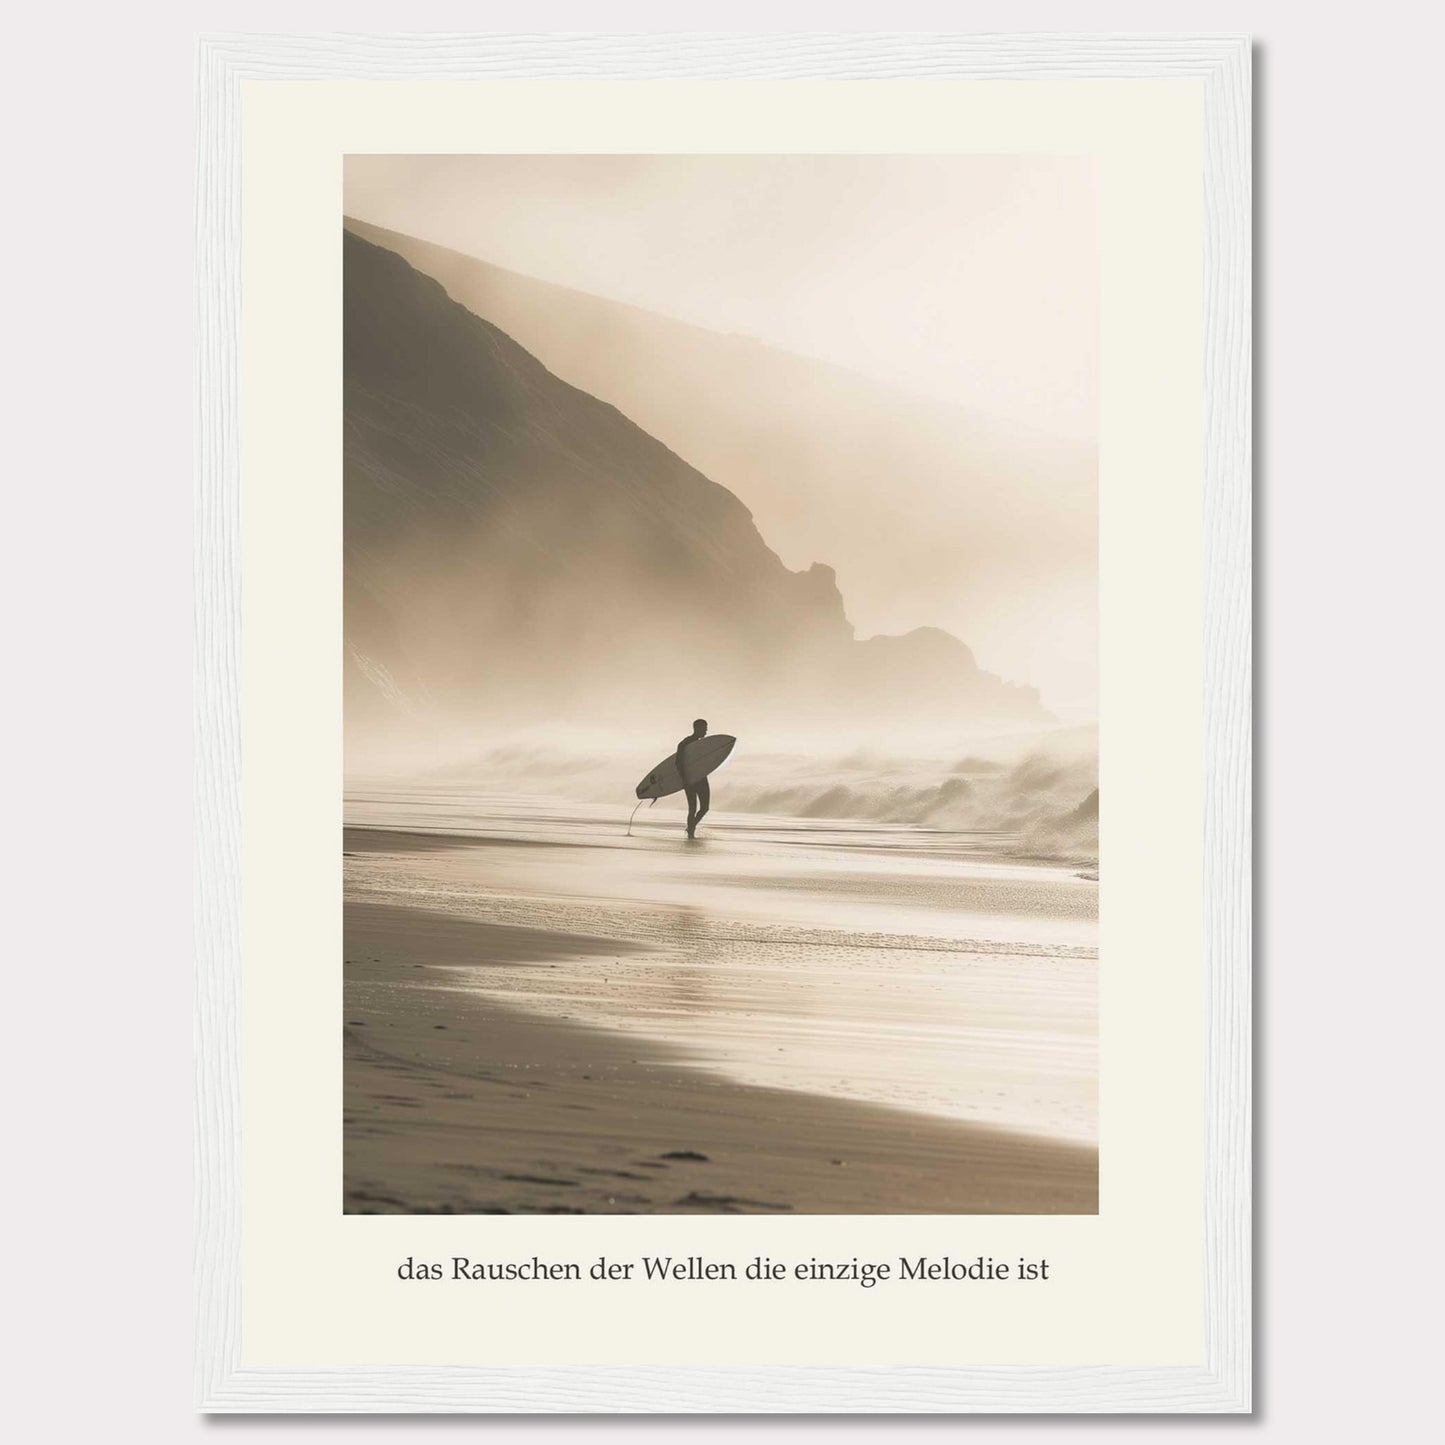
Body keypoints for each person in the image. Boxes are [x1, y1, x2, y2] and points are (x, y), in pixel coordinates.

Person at [675, 718, 711, 839]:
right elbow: (678, 763)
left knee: (704, 808)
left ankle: (691, 827)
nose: (706, 732)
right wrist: (685, 780)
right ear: (697, 728)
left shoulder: (703, 744)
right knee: (693, 809)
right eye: (704, 729)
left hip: (701, 778)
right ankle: (691, 833)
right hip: (690, 779)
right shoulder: (685, 743)